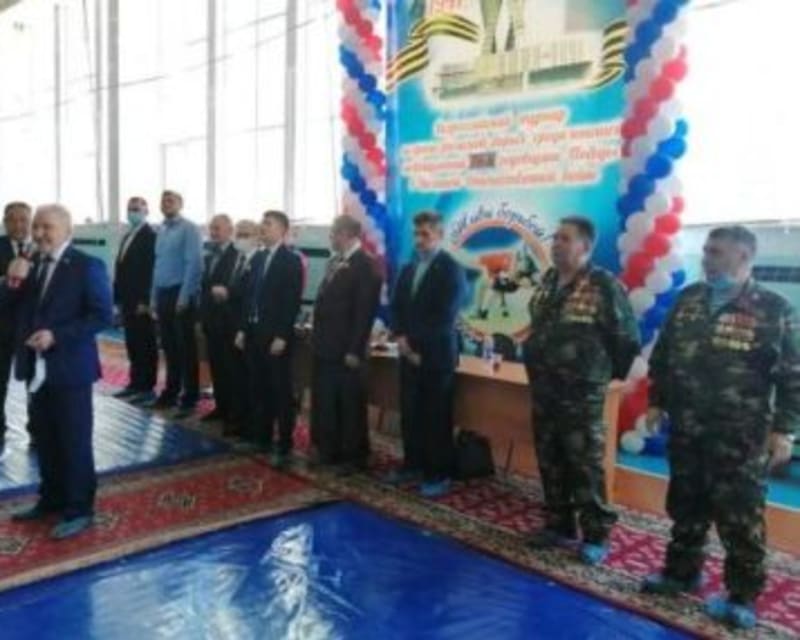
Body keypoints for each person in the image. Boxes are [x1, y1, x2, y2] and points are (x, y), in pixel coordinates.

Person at [642, 226, 799, 630]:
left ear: (744, 257)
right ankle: (681, 573)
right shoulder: (689, 298)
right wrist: (657, 400)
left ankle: (742, 594)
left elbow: (792, 375)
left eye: (717, 253)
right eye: (707, 251)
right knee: (686, 504)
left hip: (740, 436)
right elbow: (664, 354)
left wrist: (784, 430)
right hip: (687, 427)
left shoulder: (774, 308)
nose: (707, 259)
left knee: (740, 516)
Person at [523, 216, 639, 566]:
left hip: (580, 394)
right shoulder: (548, 280)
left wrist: (601, 376)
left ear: (585, 246)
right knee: (551, 459)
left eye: (565, 239)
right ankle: (558, 524)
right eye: (555, 237)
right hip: (544, 388)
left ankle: (596, 534)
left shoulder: (603, 284)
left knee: (584, 464)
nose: (556, 244)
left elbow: (626, 338)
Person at [1, 204, 112, 539]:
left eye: (46, 227)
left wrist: (57, 336)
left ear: (67, 230)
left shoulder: (86, 266)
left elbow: (102, 316)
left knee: (73, 440)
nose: (39, 233)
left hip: (69, 368)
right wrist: (12, 281)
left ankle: (79, 509)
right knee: (45, 437)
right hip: (35, 368)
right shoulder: (31, 264)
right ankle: (50, 499)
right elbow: (10, 308)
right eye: (36, 227)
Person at [389, 210, 466, 498]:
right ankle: (412, 465)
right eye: (416, 234)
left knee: (435, 417)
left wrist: (414, 345)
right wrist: (401, 338)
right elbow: (396, 306)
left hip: (436, 357)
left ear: (439, 236)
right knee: (410, 413)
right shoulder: (408, 268)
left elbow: (444, 316)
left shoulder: (451, 270)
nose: (419, 240)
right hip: (408, 353)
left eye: (425, 234)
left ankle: (438, 473)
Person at [311, 215, 382, 474]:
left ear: (347, 234)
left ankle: (354, 456)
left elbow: (364, 312)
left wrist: (355, 349)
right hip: (326, 345)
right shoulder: (335, 261)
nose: (330, 237)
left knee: (350, 404)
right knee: (328, 401)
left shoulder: (365, 265)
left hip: (347, 349)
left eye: (333, 233)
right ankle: (329, 450)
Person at [235, 210, 303, 467]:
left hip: (275, 336)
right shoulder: (259, 258)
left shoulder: (291, 260)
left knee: (280, 390)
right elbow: (249, 298)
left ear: (282, 230)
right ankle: (261, 437)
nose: (263, 227)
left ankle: (284, 442)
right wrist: (242, 329)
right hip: (254, 333)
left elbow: (291, 302)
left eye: (268, 224)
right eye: (262, 223)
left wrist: (282, 335)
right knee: (258, 387)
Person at [149, 190, 203, 418]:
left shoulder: (189, 228)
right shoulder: (161, 230)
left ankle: (190, 396)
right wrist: (153, 298)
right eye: (163, 201)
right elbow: (157, 265)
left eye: (171, 200)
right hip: (163, 293)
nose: (166, 204)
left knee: (185, 348)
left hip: (180, 292)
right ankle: (171, 391)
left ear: (181, 204)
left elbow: (194, 263)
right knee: (169, 347)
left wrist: (184, 296)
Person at [112, 196, 157, 404]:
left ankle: (147, 387)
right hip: (127, 299)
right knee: (132, 343)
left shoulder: (151, 236)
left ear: (146, 212)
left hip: (141, 301)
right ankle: (135, 383)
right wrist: (117, 298)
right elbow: (121, 269)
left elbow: (150, 271)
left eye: (137, 209)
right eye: (130, 208)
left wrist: (145, 300)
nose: (133, 212)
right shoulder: (127, 236)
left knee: (145, 343)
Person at [199, 214, 241, 424]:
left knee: (230, 369)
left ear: (230, 230)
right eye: (212, 228)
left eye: (218, 228)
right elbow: (204, 286)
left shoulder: (237, 255)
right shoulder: (208, 253)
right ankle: (221, 407)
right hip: (211, 320)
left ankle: (233, 412)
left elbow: (237, 289)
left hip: (229, 322)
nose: (213, 232)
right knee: (216, 366)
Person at [0, 201, 33, 452]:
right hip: (2, 325)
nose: (18, 224)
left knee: (36, 380)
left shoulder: (43, 248)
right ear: (4, 222)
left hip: (33, 327)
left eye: (23, 219)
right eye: (12, 219)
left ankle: (39, 429)